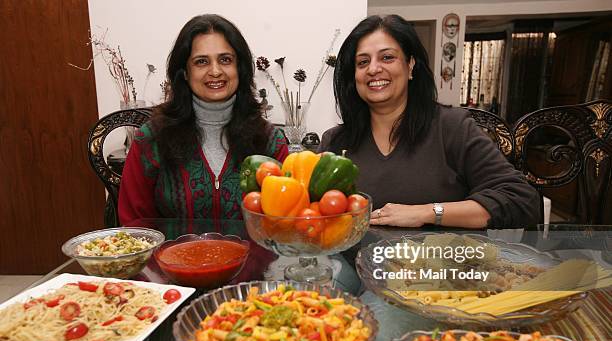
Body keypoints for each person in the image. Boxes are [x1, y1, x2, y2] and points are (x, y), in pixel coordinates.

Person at [319, 15, 540, 229]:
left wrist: (426, 213)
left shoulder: (452, 127)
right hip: (356, 264)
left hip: (437, 262)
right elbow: (309, 215)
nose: (373, 69)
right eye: (363, 62)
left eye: (387, 57)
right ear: (354, 76)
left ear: (411, 65)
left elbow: (522, 201)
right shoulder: (335, 142)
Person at [119, 15, 288, 224]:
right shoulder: (151, 139)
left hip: (252, 258)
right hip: (169, 257)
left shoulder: (270, 141)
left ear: (239, 68)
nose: (215, 71)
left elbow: (285, 223)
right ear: (185, 73)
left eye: (225, 59)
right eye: (201, 62)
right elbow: (134, 224)